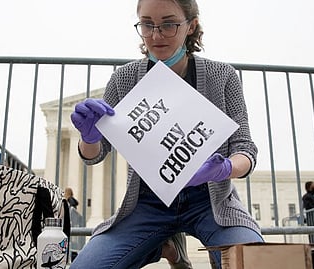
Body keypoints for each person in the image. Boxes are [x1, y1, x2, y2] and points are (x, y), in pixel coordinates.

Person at [69, 0, 262, 268]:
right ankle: (163, 248)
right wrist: (89, 138)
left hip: (210, 202)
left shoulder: (222, 76)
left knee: (254, 263)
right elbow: (96, 155)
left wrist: (223, 168)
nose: (156, 35)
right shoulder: (124, 79)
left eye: (169, 24)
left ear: (191, 26)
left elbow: (245, 148)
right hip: (147, 203)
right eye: (147, 24)